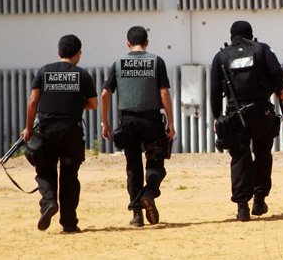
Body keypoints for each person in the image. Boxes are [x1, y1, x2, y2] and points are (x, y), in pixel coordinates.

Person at [20, 35, 98, 233]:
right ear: (78, 54)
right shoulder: (82, 75)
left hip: (46, 129)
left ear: (58, 52)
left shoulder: (44, 71)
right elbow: (93, 103)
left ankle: (48, 203)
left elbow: (32, 101)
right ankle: (69, 223)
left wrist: (28, 128)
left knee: (44, 169)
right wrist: (72, 104)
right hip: (71, 131)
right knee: (70, 176)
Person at [100, 26, 176, 227]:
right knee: (156, 161)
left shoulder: (118, 63)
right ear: (147, 42)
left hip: (128, 121)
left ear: (128, 43)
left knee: (133, 167)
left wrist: (105, 122)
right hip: (151, 119)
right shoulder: (156, 61)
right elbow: (164, 93)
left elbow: (105, 94)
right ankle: (149, 192)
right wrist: (171, 122)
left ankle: (136, 215)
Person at [210, 21, 283, 221]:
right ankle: (259, 200)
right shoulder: (262, 50)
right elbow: (278, 72)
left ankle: (242, 207)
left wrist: (218, 117)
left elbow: (215, 90)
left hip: (235, 114)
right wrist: (279, 90)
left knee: (239, 158)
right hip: (261, 111)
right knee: (262, 153)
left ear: (232, 35)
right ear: (251, 34)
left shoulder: (221, 56)